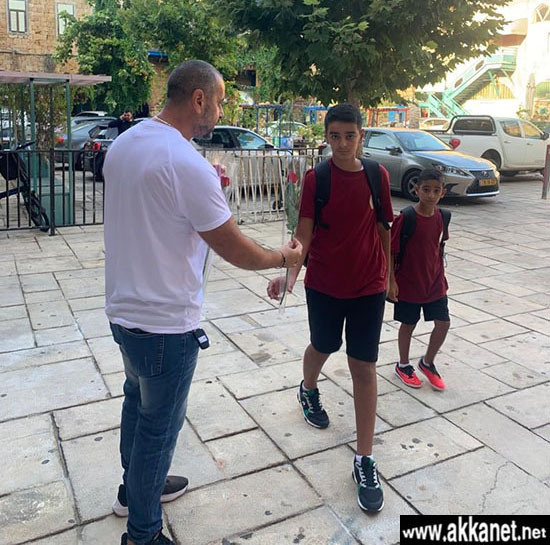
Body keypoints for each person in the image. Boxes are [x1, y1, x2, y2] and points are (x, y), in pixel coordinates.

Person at [103, 59, 302, 545]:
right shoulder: (186, 164)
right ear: (198, 99)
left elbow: (158, 205)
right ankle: (143, 534)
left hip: (124, 312)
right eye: (219, 100)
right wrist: (284, 256)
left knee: (136, 403)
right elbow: (236, 249)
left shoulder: (126, 143)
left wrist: (206, 183)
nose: (221, 110)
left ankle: (135, 491)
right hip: (166, 325)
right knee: (158, 430)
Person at [267, 103, 393, 513]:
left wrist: (390, 277)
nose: (342, 144)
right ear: (326, 137)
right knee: (323, 345)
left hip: (368, 285)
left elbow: (384, 229)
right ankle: (308, 388)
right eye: (335, 136)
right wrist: (289, 276)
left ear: (361, 136)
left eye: (349, 136)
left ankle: (364, 458)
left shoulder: (377, 175)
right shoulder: (316, 178)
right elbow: (303, 233)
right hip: (324, 283)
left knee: (364, 366)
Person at [388, 168, 451, 391]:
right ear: (416, 190)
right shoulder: (406, 218)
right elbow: (391, 251)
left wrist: (440, 276)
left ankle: (427, 362)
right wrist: (391, 281)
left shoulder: (443, 217)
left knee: (443, 323)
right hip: (409, 282)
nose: (430, 195)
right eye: (426, 189)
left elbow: (438, 246)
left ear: (442, 192)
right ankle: (403, 365)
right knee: (408, 324)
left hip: (434, 282)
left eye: (436, 190)